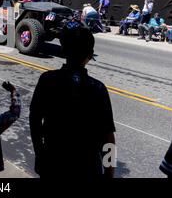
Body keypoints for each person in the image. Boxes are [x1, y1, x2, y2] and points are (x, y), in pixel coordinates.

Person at [30, 26, 116, 179]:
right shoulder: (98, 89)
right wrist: (109, 173)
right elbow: (108, 138)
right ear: (90, 55)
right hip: (88, 167)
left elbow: (35, 121)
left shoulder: (47, 80)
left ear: (63, 51)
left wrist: (39, 153)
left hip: (53, 163)